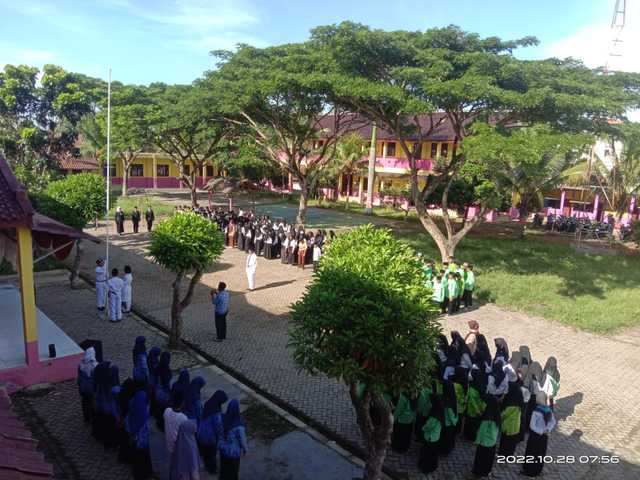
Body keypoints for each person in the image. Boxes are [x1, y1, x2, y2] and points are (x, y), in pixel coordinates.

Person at [522, 391, 556, 477]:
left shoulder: (536, 411)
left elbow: (532, 425)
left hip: (535, 436)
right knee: (540, 453)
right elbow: (552, 422)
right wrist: (547, 429)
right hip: (544, 436)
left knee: (532, 452)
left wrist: (541, 431)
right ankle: (537, 470)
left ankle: (529, 470)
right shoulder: (549, 410)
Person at [198, 390, 228, 474]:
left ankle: (206, 463)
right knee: (212, 453)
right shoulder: (216, 414)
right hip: (209, 437)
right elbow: (218, 427)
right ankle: (212, 469)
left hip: (201, 432)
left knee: (205, 452)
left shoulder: (208, 404)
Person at [471, 395, 501, 478]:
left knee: (481, 459)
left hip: (484, 442)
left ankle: (478, 473)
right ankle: (486, 472)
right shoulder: (497, 414)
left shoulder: (487, 416)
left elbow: (481, 432)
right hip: (492, 441)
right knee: (488, 460)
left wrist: (476, 442)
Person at [219, 399, 248, 480]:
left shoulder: (222, 418)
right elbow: (242, 440)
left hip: (223, 450)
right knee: (233, 471)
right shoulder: (239, 426)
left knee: (224, 470)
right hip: (233, 452)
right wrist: (245, 449)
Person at [126, 390, 153, 479]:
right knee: (144, 457)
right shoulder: (145, 410)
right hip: (143, 440)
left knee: (137, 457)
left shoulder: (133, 405)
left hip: (135, 437)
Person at [418, 387, 443, 475]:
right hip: (436, 436)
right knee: (433, 453)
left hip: (430, 437)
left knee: (427, 453)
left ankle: (426, 468)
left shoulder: (434, 414)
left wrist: (423, 428)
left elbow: (429, 425)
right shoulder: (440, 411)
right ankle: (432, 465)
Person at [165, 394, 189, 462]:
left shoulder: (167, 411)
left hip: (169, 443)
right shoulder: (183, 417)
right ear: (182, 403)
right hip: (178, 446)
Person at [77, 347, 98, 423]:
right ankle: (93, 417)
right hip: (91, 387)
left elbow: (79, 377)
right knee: (92, 402)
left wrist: (80, 386)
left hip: (83, 387)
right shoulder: (95, 365)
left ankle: (86, 418)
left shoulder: (81, 364)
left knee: (85, 402)